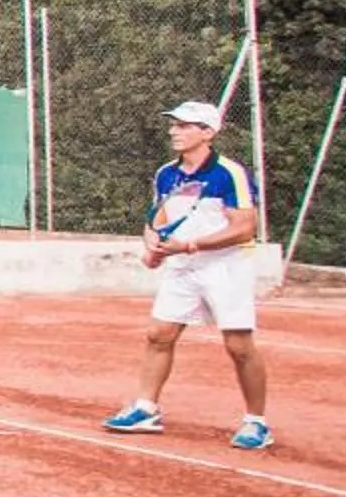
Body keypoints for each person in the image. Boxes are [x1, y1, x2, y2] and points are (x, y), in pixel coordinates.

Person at [102, 99, 272, 450]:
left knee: (239, 346)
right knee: (159, 335)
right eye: (174, 125)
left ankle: (257, 422)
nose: (174, 131)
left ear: (208, 133)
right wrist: (153, 247)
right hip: (182, 265)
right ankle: (146, 408)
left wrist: (190, 246)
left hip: (226, 266)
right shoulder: (167, 173)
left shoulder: (229, 173)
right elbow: (159, 219)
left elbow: (244, 228)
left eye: (184, 126)